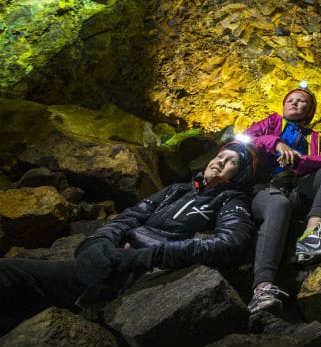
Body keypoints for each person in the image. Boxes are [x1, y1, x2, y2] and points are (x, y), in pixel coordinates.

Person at [0, 141, 258, 334]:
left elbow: (230, 243)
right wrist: (97, 243)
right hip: (112, 261)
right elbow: (130, 216)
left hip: (141, 272)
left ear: (240, 174)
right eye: (220, 155)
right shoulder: (176, 190)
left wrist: (150, 256)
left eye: (231, 161)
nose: (220, 162)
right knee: (9, 276)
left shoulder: (230, 200)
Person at [244, 83, 321, 315]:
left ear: (309, 111)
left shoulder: (313, 138)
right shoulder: (272, 123)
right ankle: (262, 290)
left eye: (301, 101)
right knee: (278, 205)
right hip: (266, 189)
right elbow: (247, 138)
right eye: (290, 99)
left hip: (296, 189)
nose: (294, 102)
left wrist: (300, 160)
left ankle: (312, 235)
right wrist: (277, 144)